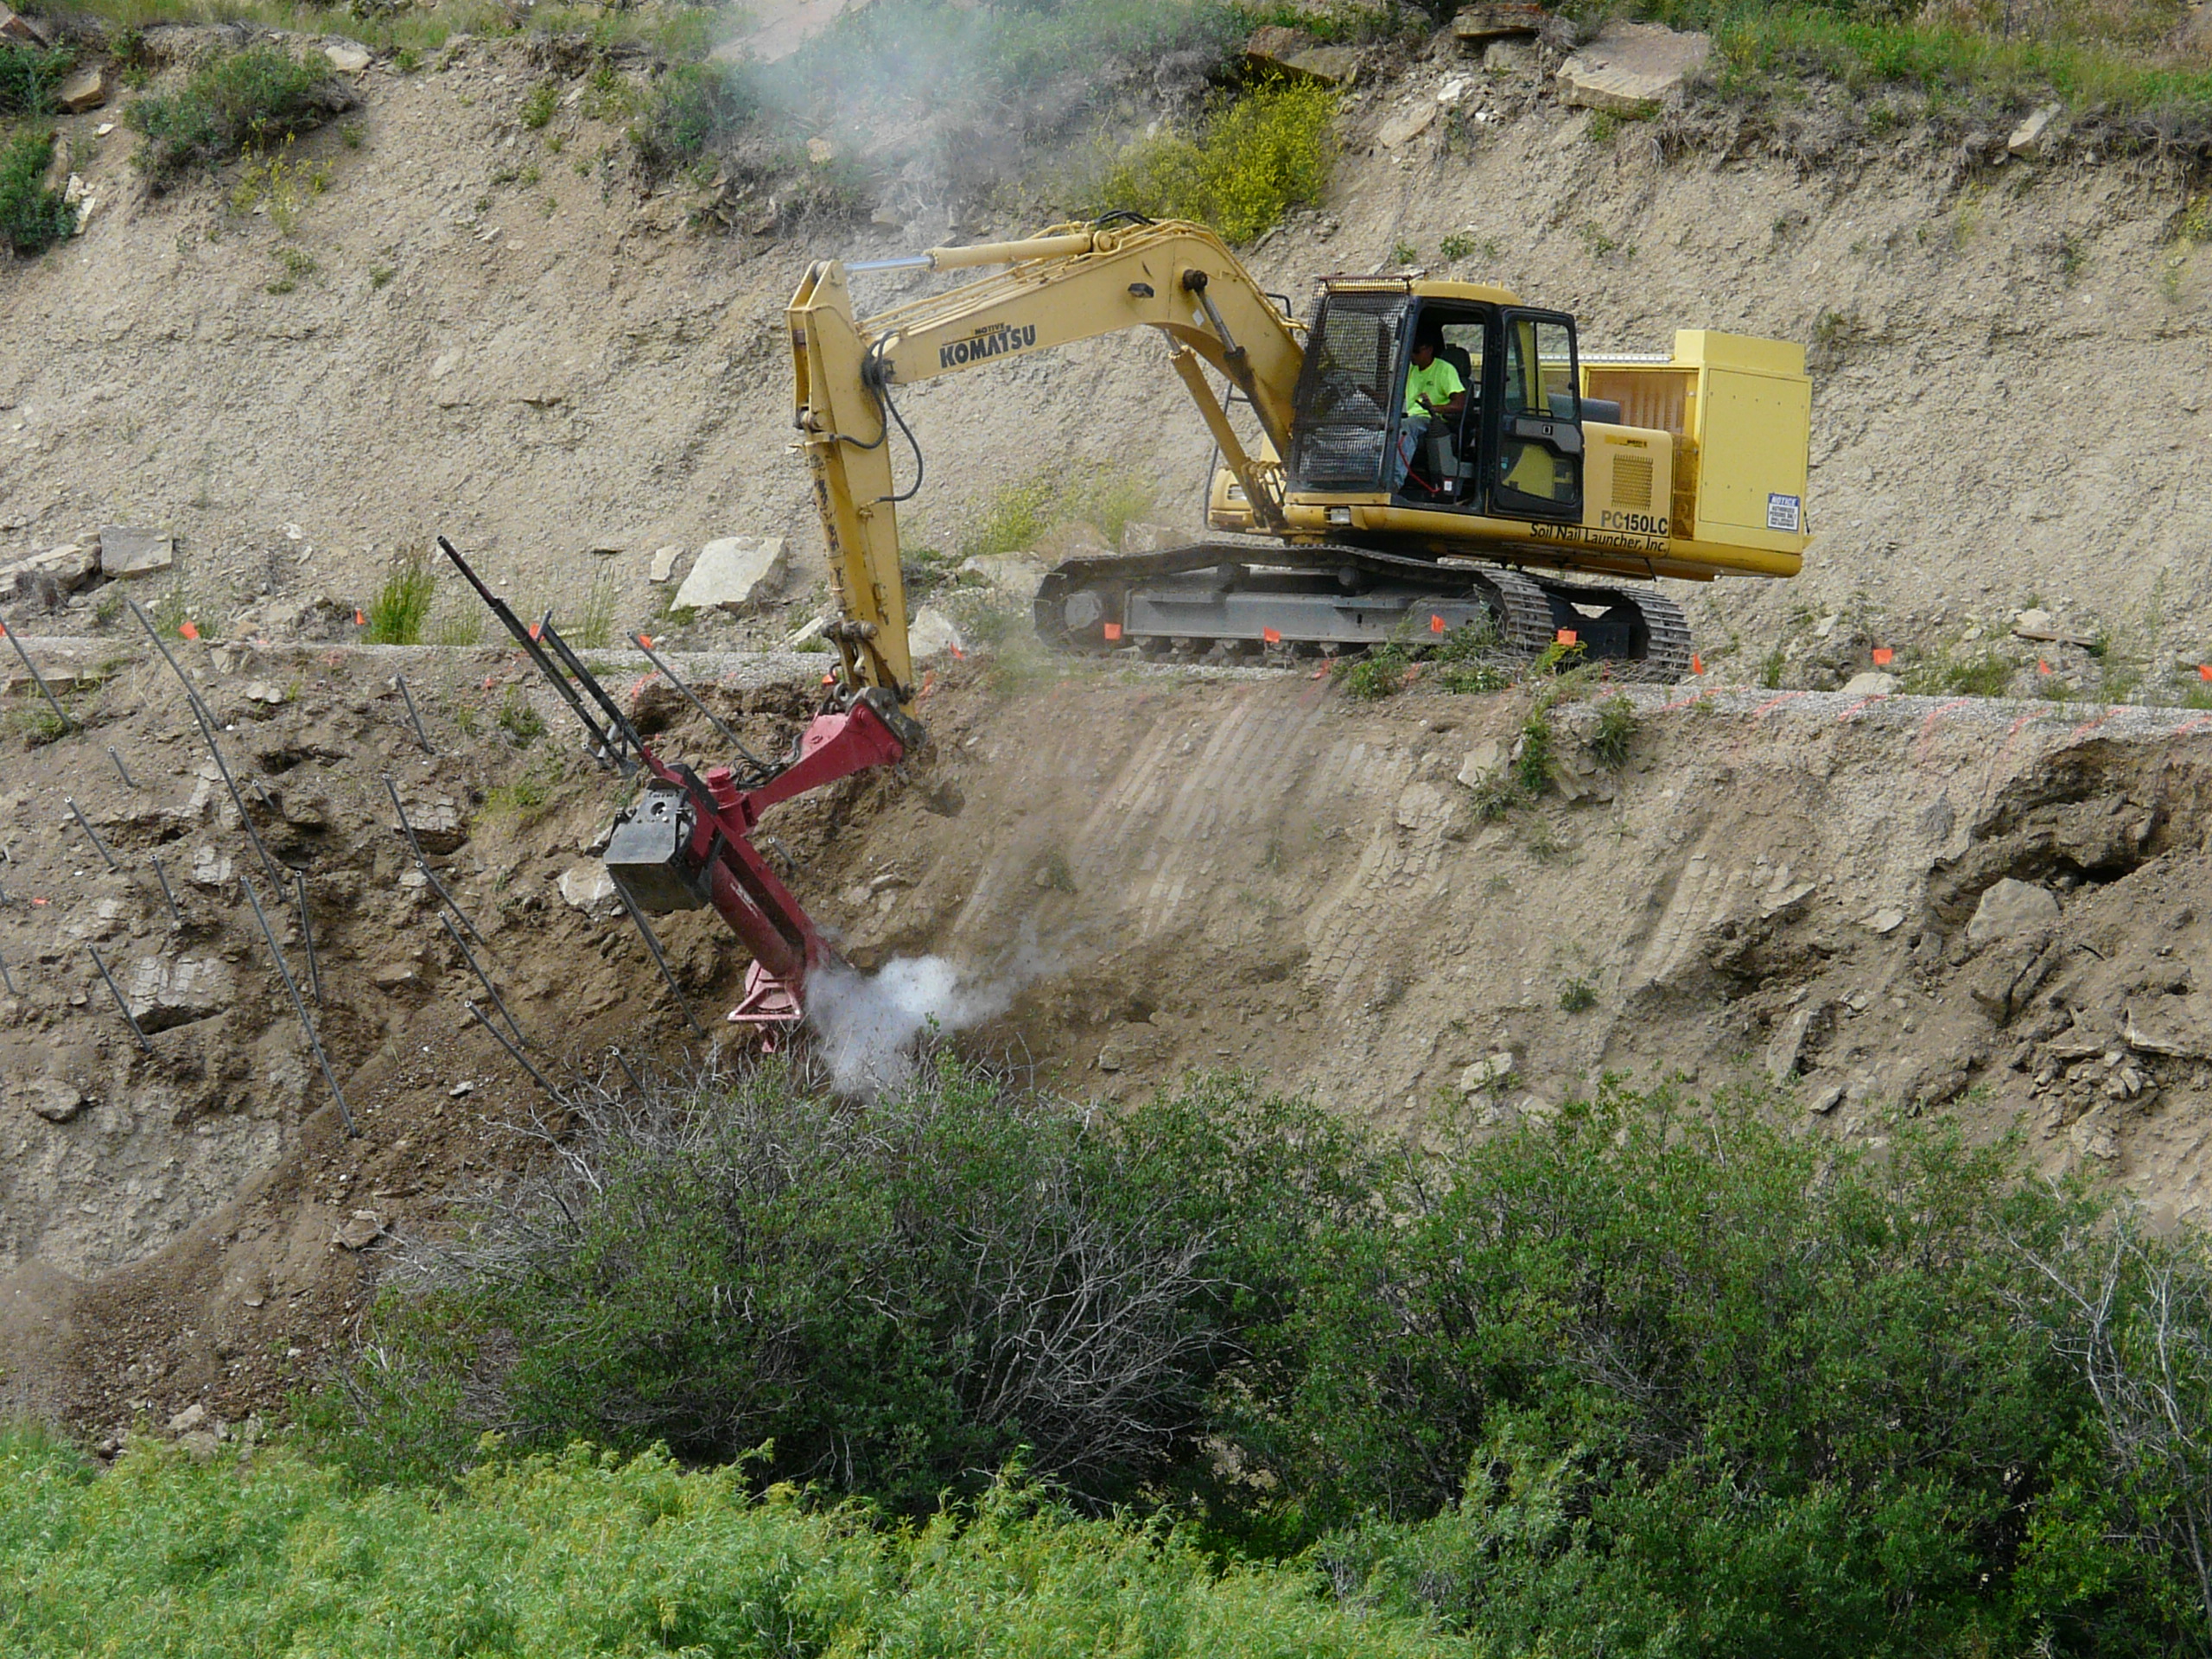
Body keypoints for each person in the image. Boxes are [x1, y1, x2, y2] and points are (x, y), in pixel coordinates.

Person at [1395, 336, 1467, 493]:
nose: (1412, 356)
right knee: (1386, 425)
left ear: (1429, 349)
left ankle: (1394, 481)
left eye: (1416, 351)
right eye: (1410, 352)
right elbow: (1395, 398)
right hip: (1412, 418)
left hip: (1435, 421)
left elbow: (1460, 405)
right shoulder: (1411, 371)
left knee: (1407, 427)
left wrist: (1433, 408)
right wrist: (1368, 393)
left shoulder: (1445, 370)